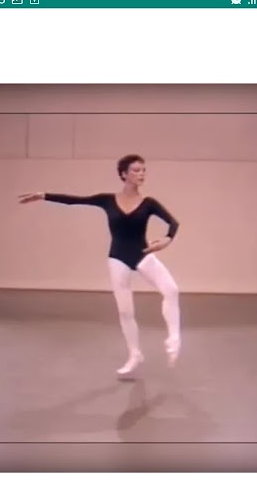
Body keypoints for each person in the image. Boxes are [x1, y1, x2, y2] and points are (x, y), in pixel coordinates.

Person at [19, 154, 181, 378]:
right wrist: (43, 195)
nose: (141, 174)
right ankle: (135, 354)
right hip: (118, 258)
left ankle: (174, 338)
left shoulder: (149, 203)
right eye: (136, 170)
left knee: (171, 290)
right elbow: (75, 201)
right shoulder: (107, 200)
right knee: (125, 311)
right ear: (123, 174)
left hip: (143, 254)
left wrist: (167, 239)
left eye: (143, 170)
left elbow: (173, 223)